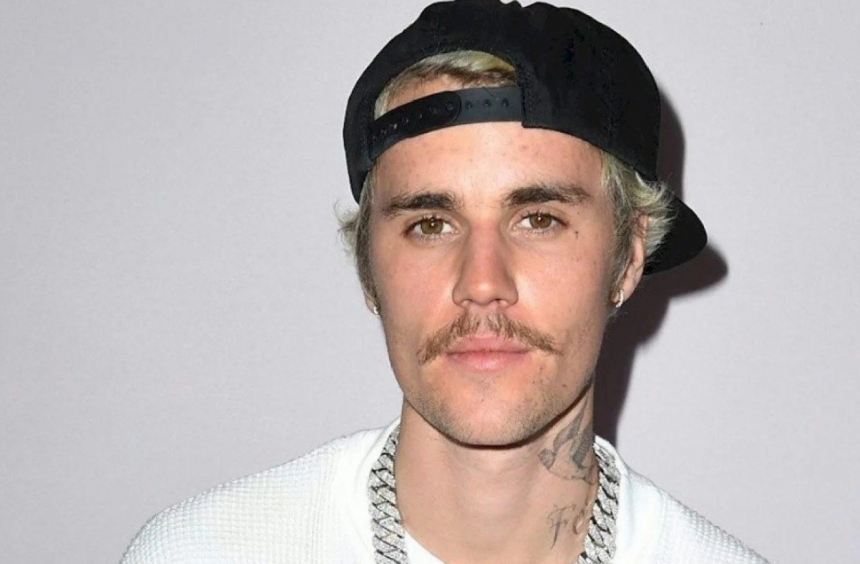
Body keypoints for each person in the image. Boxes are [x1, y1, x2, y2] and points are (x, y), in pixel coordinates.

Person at [120, 1, 768, 563]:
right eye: (431, 225)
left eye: (538, 219)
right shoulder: (203, 553)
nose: (481, 283)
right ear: (368, 268)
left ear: (627, 260)